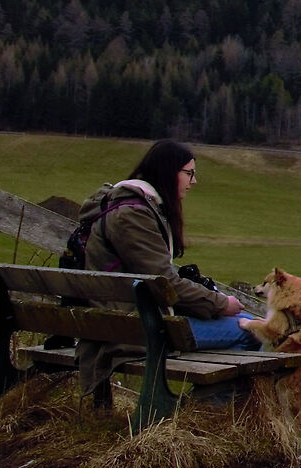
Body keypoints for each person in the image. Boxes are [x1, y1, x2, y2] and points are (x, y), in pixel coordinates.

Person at [75, 139, 255, 405]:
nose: (194, 181)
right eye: (189, 173)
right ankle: (207, 412)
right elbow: (164, 283)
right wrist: (219, 303)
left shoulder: (123, 206)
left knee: (245, 320)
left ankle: (205, 405)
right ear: (169, 172)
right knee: (250, 329)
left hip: (120, 318)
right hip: (135, 329)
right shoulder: (132, 216)